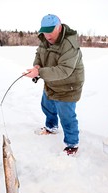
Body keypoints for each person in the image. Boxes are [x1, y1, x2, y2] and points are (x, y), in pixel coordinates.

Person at [24, 14, 84, 155]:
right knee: (47, 105)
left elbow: (64, 70)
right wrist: (37, 66)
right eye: (44, 32)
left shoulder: (69, 44)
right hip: (52, 81)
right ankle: (51, 127)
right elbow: (39, 54)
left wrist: (39, 73)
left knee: (67, 116)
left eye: (50, 31)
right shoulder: (45, 39)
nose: (47, 35)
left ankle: (72, 144)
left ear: (59, 27)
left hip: (68, 85)